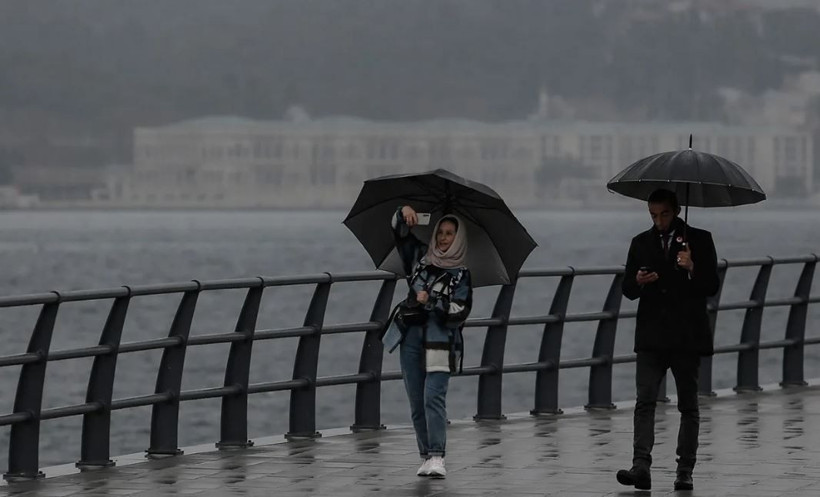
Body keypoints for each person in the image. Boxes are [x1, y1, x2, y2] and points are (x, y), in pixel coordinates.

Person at [616, 189, 719, 491]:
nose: (658, 221)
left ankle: (685, 469)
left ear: (675, 211)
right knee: (644, 401)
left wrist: (692, 268)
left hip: (686, 336)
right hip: (651, 335)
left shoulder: (699, 239)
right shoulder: (640, 243)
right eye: (652, 215)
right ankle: (640, 466)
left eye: (663, 214)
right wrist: (637, 280)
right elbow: (627, 289)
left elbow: (711, 285)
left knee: (688, 405)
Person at [388, 205, 472, 478]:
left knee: (432, 397)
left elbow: (460, 311)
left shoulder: (462, 275)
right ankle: (425, 456)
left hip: (441, 341)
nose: (444, 238)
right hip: (410, 337)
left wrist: (432, 301)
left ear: (458, 238)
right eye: (441, 233)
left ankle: (438, 456)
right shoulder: (419, 259)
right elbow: (400, 235)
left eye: (450, 234)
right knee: (415, 400)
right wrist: (403, 212)